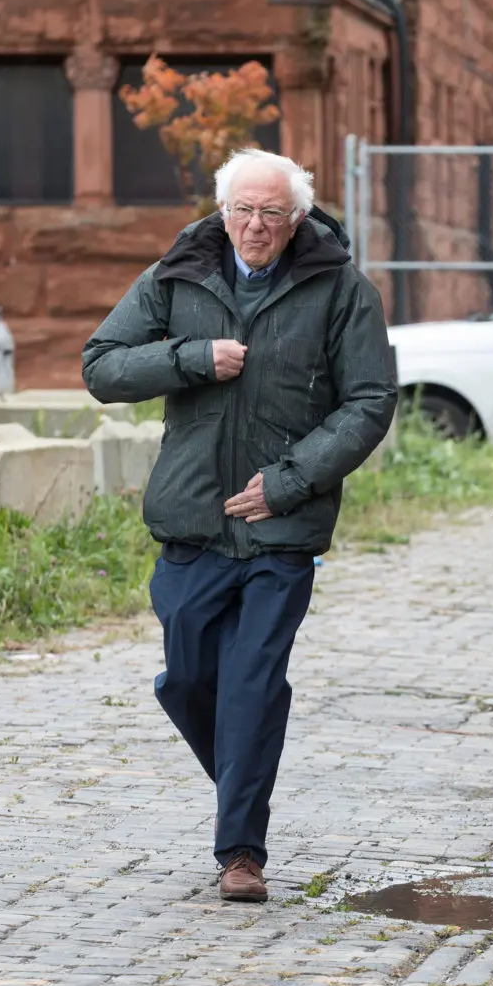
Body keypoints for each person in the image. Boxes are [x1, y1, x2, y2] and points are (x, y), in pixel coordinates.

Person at [82, 148, 398, 902]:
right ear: (222, 212)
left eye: (272, 214)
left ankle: (240, 852)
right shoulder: (178, 275)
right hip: (192, 523)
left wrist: (287, 484)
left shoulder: (341, 289)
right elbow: (102, 365)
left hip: (282, 532)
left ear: (297, 220)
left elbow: (370, 402)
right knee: (190, 680)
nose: (256, 226)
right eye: (243, 212)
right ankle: (243, 772)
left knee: (252, 684)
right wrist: (191, 358)